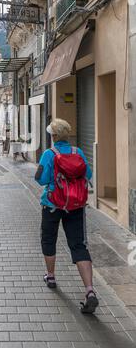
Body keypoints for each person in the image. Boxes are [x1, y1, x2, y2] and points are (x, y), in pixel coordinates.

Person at [35, 118, 99, 314]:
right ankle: (89, 290)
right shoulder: (77, 152)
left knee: (49, 239)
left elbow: (41, 179)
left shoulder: (49, 153)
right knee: (79, 245)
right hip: (76, 206)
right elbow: (87, 174)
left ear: (54, 136)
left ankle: (51, 276)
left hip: (52, 204)